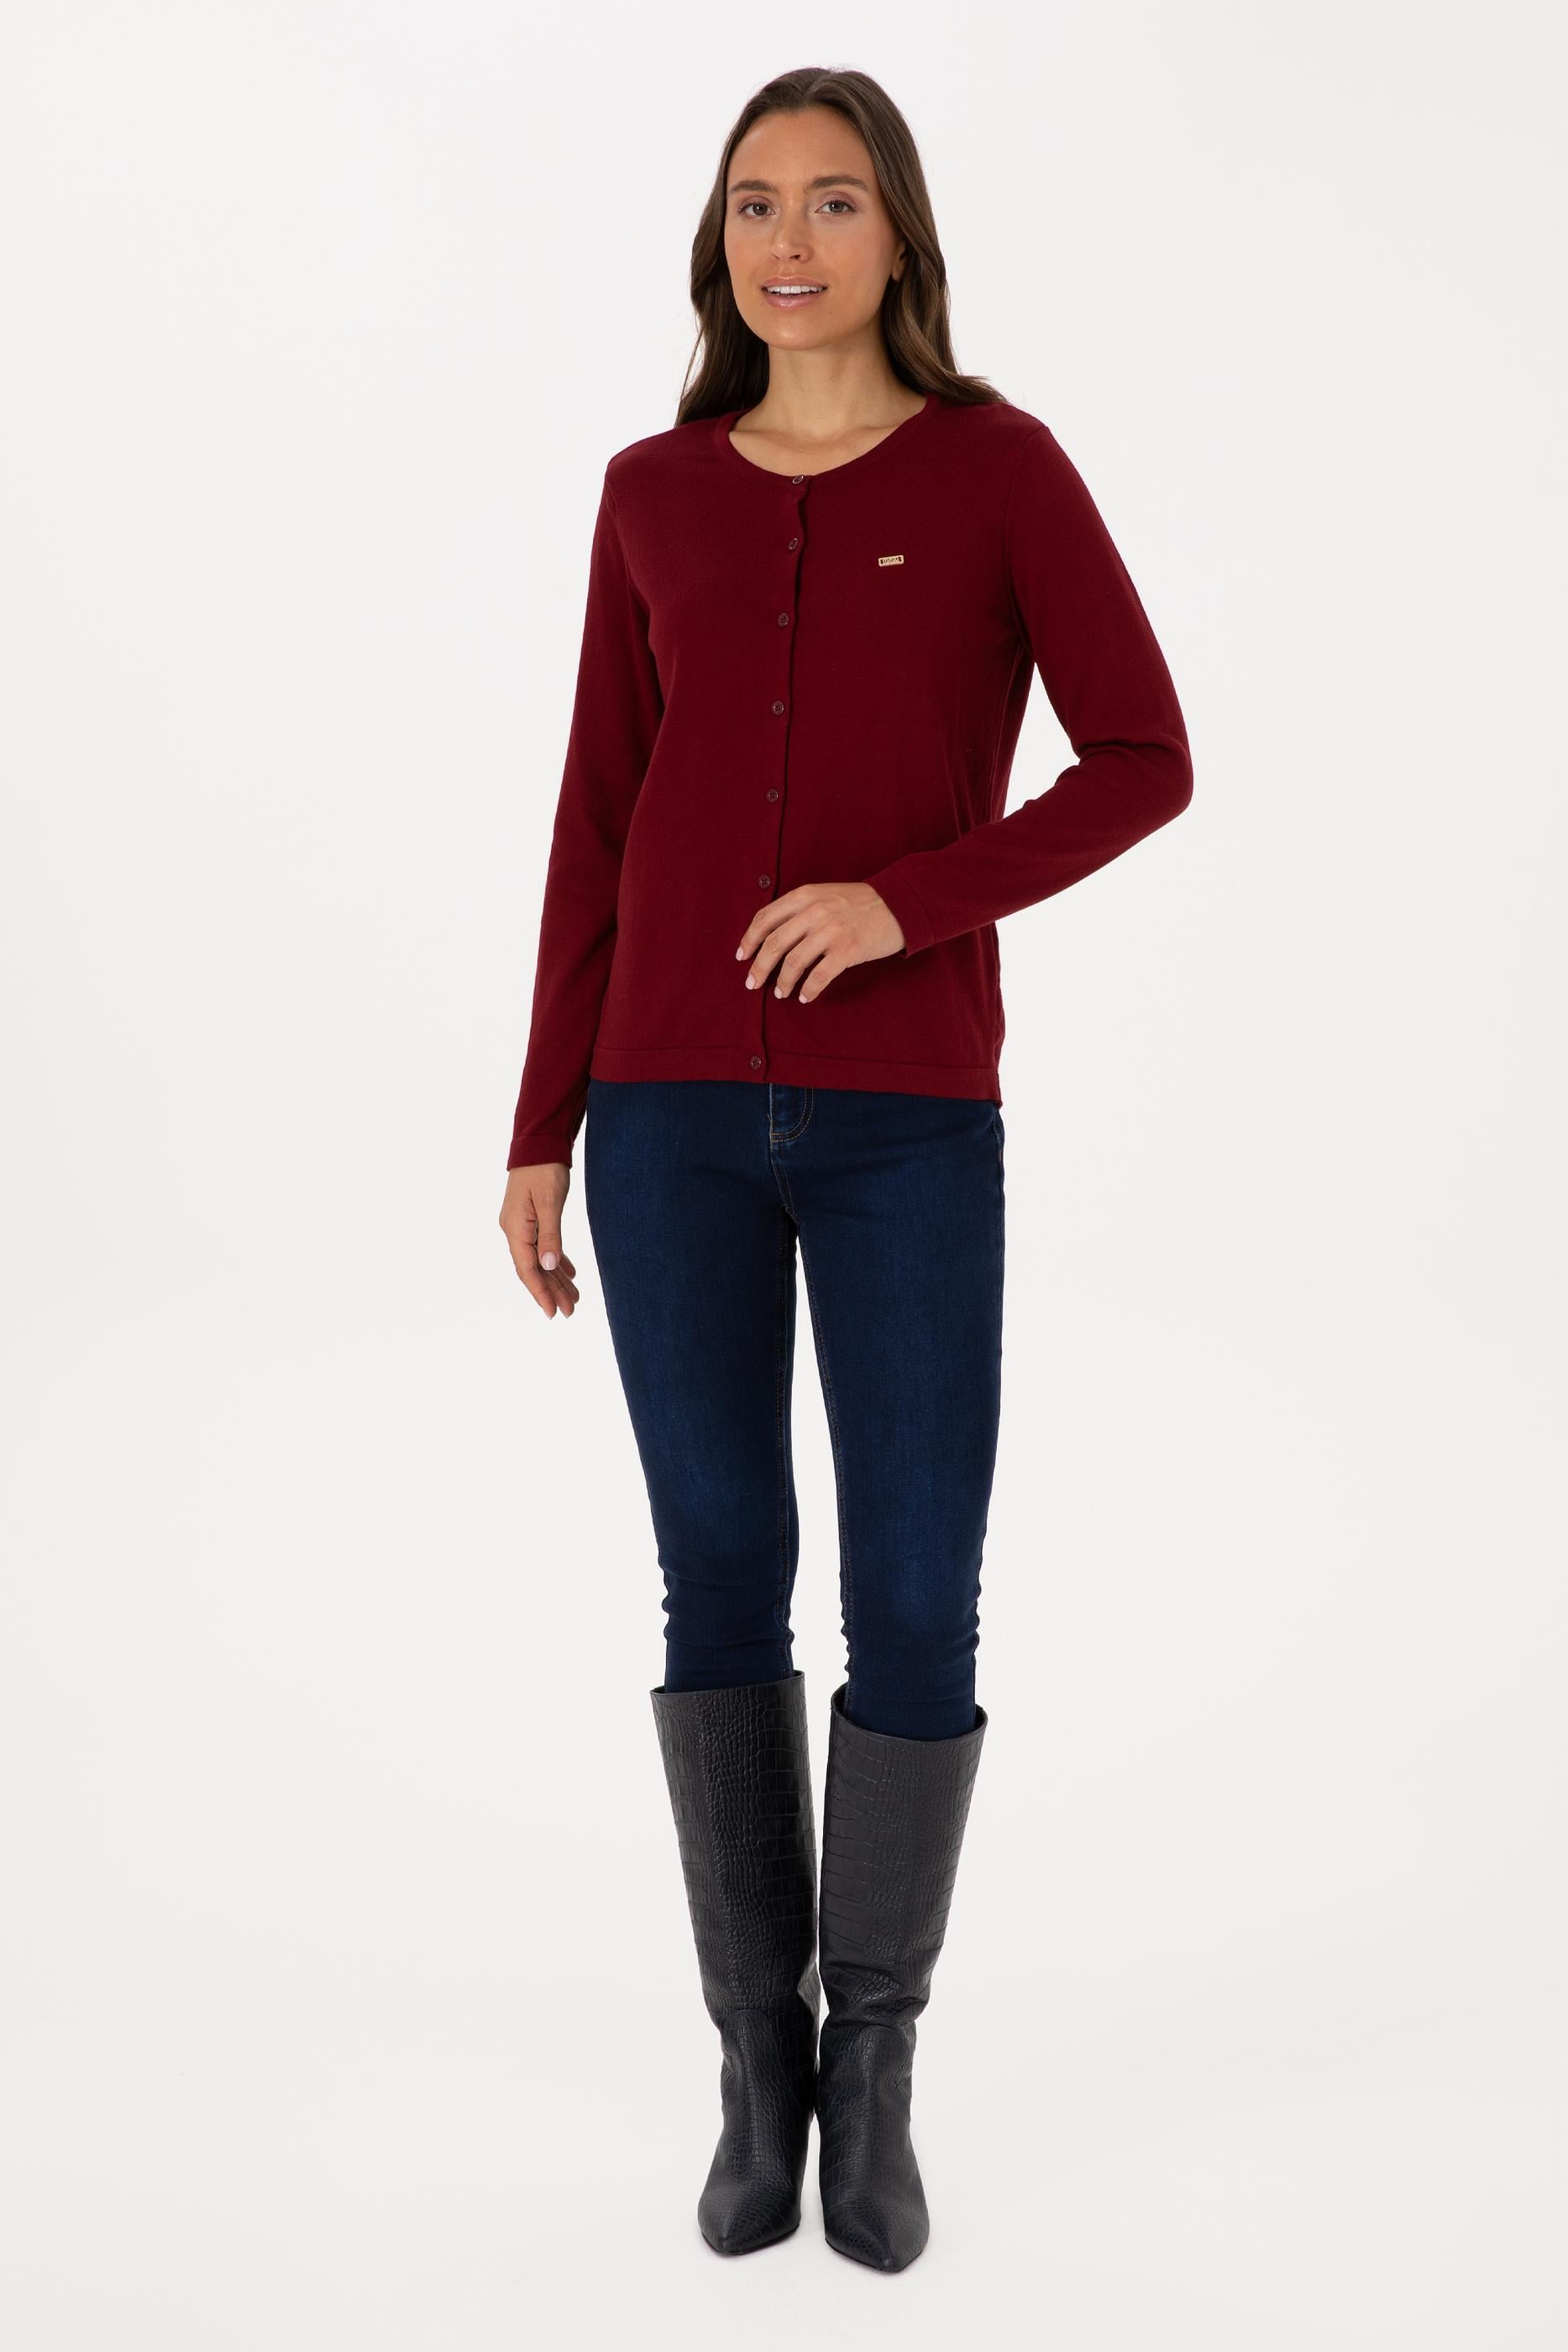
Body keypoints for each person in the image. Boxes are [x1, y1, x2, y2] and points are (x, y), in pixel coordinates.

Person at [498, 65, 1193, 2271]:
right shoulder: (649, 493)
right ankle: (756, 2066)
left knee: (913, 1589)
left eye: (831, 201)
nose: (787, 242)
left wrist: (907, 902)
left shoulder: (1001, 471)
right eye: (752, 205)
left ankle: (873, 2060)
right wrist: (539, 1119)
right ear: (716, 247)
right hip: (664, 1114)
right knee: (717, 1574)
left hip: (908, 1124)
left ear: (900, 233)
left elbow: (1142, 758)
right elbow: (597, 817)